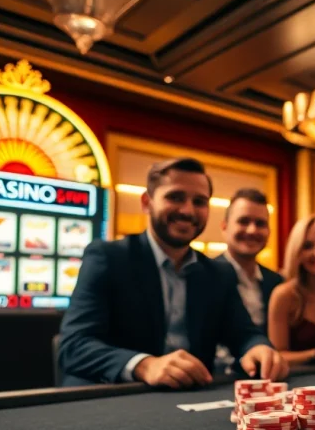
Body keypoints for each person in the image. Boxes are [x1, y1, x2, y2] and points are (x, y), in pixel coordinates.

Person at [57, 157, 288, 387]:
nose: (187, 210)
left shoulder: (218, 273)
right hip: (116, 399)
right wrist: (144, 365)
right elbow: (73, 346)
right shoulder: (108, 257)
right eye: (175, 197)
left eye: (199, 202)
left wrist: (259, 348)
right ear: (147, 202)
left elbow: (244, 333)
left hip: (191, 402)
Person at [268, 215, 315, 367]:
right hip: (303, 384)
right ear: (296, 252)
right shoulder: (283, 295)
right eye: (307, 246)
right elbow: (278, 355)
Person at [216, 188, 284, 329]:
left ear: (269, 231)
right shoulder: (204, 275)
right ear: (224, 227)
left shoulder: (277, 283)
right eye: (243, 221)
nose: (252, 230)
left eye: (260, 224)